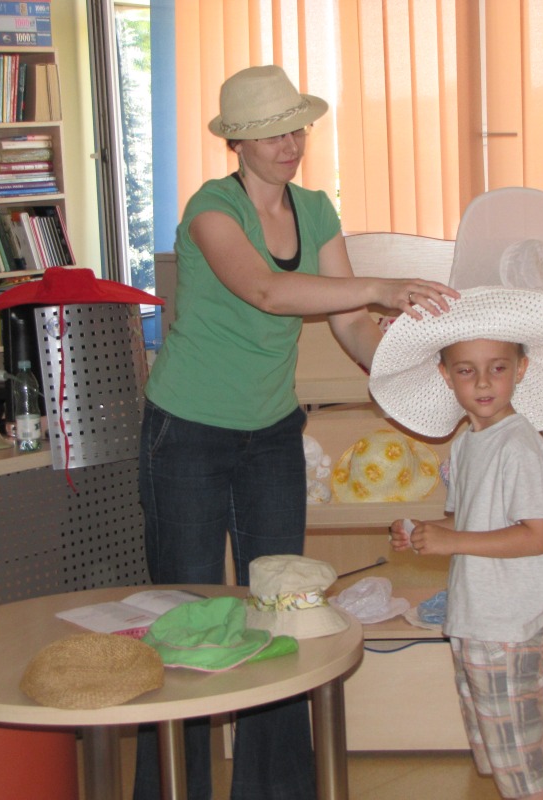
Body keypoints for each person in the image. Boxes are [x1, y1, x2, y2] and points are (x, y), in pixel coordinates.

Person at [135, 64, 458, 800]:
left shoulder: (315, 209)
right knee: (189, 618)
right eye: (271, 132)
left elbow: (350, 323)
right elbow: (267, 289)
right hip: (187, 430)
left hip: (270, 433)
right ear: (237, 142)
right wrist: (382, 285)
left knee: (286, 610)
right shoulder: (211, 209)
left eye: (296, 128)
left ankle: (277, 789)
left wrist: (409, 378)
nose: (290, 144)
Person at [369, 286, 543, 800]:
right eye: (466, 370)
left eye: (497, 368)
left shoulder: (518, 445)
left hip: (507, 625)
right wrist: (422, 532)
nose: (482, 382)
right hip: (478, 617)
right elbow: (468, 520)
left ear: (521, 370)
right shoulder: (467, 443)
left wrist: (452, 540)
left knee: (519, 756)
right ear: (445, 375)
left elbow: (536, 535)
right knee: (499, 744)